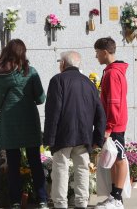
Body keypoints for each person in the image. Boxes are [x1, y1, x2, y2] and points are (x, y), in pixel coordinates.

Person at [0, 39, 48, 209]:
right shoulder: (30, 72)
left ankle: (15, 202)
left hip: (7, 124)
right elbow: (41, 98)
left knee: (13, 165)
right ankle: (42, 200)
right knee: (35, 161)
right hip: (29, 121)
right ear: (23, 53)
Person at [43, 51, 106, 209]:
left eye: (60, 62)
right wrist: (98, 139)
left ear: (63, 64)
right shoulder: (88, 83)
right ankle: (82, 203)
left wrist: (49, 139)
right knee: (82, 169)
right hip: (84, 135)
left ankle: (60, 204)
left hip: (63, 134)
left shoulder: (57, 80)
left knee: (60, 170)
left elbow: (53, 111)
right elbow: (100, 113)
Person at [94, 37, 129, 209]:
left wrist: (108, 127)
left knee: (120, 159)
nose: (96, 56)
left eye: (97, 52)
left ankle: (117, 199)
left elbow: (114, 103)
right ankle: (114, 197)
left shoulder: (113, 73)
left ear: (105, 52)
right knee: (114, 159)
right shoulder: (111, 71)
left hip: (115, 124)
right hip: (113, 123)